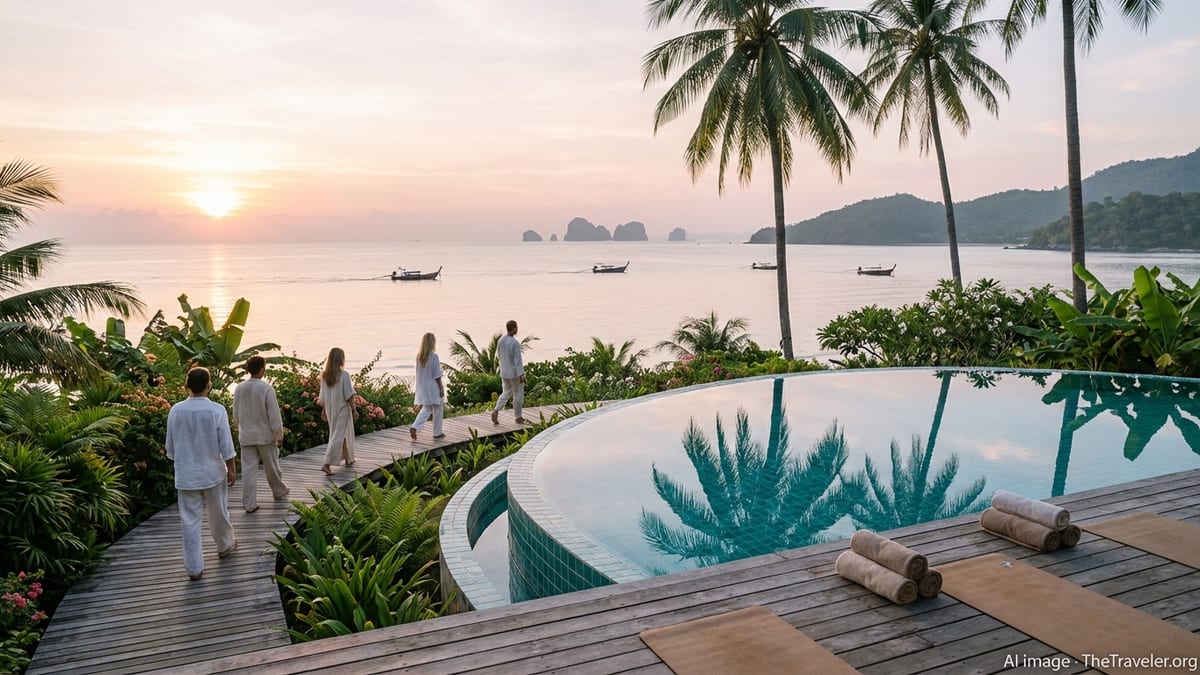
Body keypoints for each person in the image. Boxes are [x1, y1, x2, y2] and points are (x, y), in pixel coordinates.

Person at [165, 366, 238, 581]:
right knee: (219, 512)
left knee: (189, 522)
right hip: (212, 471)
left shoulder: (175, 410)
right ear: (209, 385)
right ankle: (224, 546)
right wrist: (232, 468)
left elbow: (170, 447)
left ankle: (194, 568)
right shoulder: (216, 410)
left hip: (186, 473)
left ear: (186, 386)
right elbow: (226, 443)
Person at [232, 356, 289, 512]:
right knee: (272, 466)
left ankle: (249, 503)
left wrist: (240, 427)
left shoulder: (239, 388)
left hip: (246, 435)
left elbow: (235, 413)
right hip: (265, 436)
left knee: (248, 470)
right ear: (262, 369)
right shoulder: (266, 388)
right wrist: (279, 434)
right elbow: (274, 415)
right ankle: (278, 491)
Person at [318, 347, 356, 474]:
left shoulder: (325, 376)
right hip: (342, 409)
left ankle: (348, 458)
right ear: (341, 359)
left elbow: (322, 397)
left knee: (339, 433)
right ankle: (326, 463)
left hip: (330, 409)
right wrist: (354, 410)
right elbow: (349, 395)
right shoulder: (344, 375)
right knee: (338, 436)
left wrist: (324, 410)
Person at [410, 332, 445, 440]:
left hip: (423, 387)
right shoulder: (434, 356)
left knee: (427, 408)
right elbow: (437, 375)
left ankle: (415, 426)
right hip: (433, 386)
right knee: (438, 408)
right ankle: (437, 432)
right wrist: (441, 388)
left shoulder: (419, 357)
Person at [492, 319, 526, 424]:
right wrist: (521, 375)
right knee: (518, 394)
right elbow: (517, 361)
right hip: (514, 374)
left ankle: (496, 410)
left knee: (506, 392)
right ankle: (518, 416)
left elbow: (498, 355)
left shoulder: (501, 340)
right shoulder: (514, 343)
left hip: (504, 372)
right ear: (514, 328)